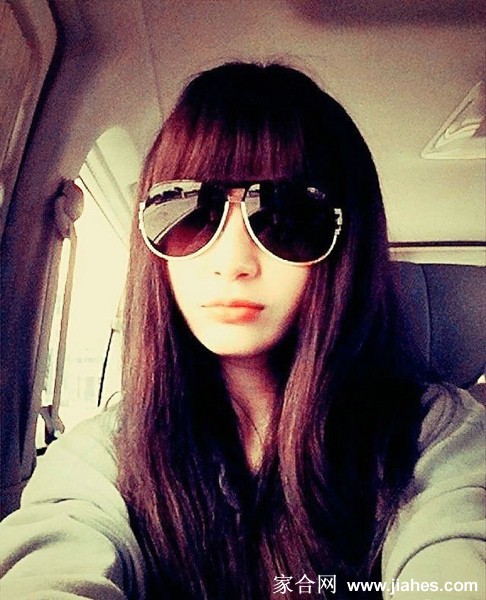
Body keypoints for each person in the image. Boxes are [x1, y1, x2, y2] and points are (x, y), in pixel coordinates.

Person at [0, 62, 484, 599]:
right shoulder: (104, 455)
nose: (231, 262)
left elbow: (457, 558)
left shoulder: (437, 437)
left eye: (287, 215)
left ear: (346, 242)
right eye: (187, 212)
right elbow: (54, 565)